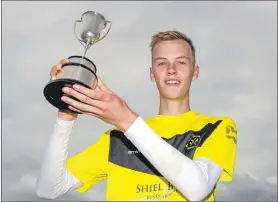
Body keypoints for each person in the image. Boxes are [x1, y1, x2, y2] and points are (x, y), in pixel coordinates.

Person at [36, 30, 237, 201]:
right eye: (162, 63)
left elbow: (198, 188)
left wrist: (126, 120)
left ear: (195, 72)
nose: (171, 70)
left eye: (181, 62)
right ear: (152, 74)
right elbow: (49, 189)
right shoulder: (117, 138)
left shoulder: (216, 126)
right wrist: (66, 113)